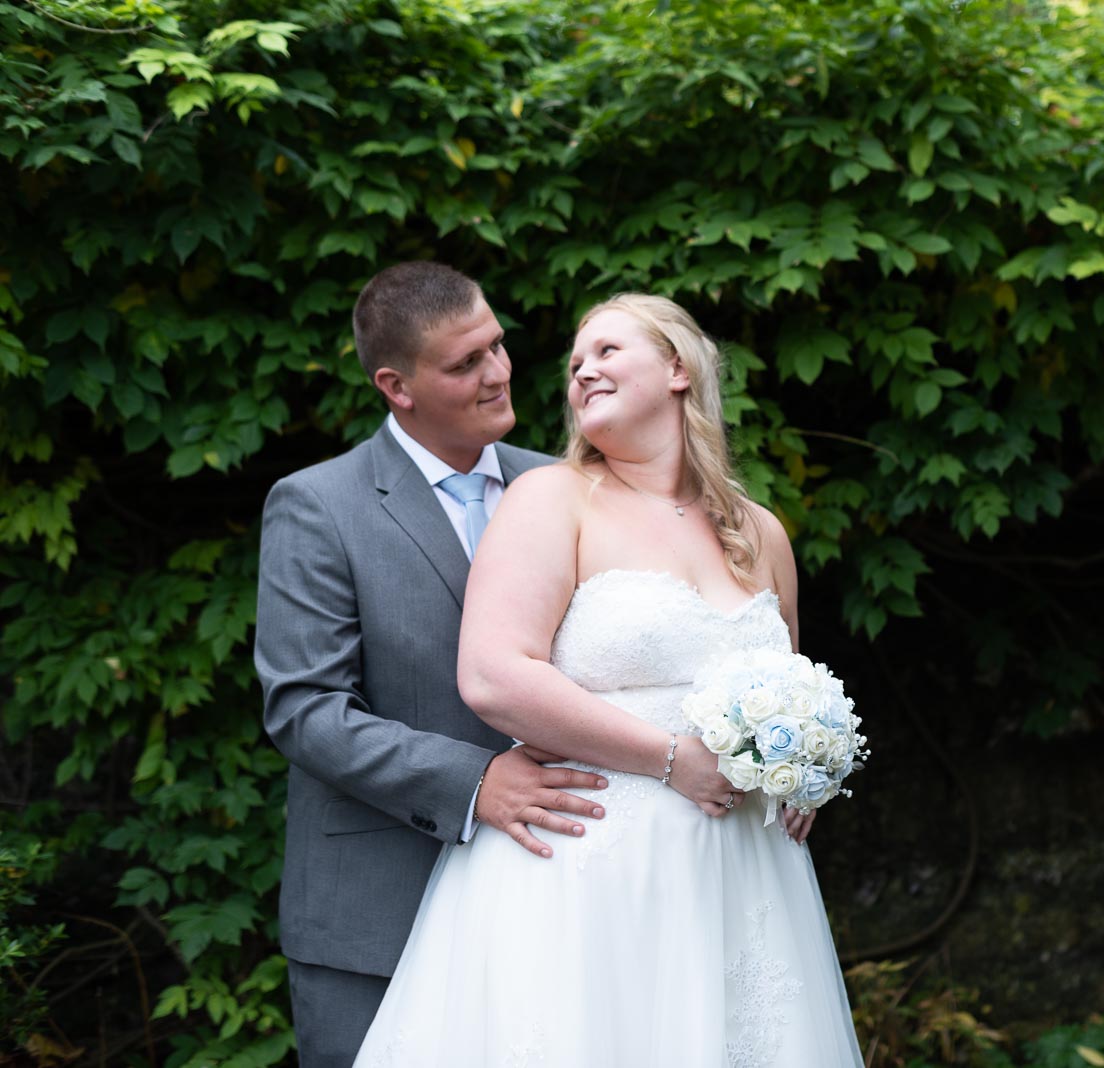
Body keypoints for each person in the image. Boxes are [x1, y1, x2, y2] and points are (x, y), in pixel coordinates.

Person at [353, 294, 864, 1066]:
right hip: (589, 868)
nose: (582, 369)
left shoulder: (760, 532)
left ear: (678, 369)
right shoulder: (551, 500)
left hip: (744, 883)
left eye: (606, 351)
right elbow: (493, 676)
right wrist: (669, 758)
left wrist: (805, 769)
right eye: (574, 363)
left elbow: (790, 681)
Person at [255, 262, 609, 1068]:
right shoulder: (318, 506)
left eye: (497, 345)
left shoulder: (565, 486)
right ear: (396, 385)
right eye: (465, 363)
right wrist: (476, 783)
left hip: (562, 891)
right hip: (380, 909)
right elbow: (306, 711)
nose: (498, 373)